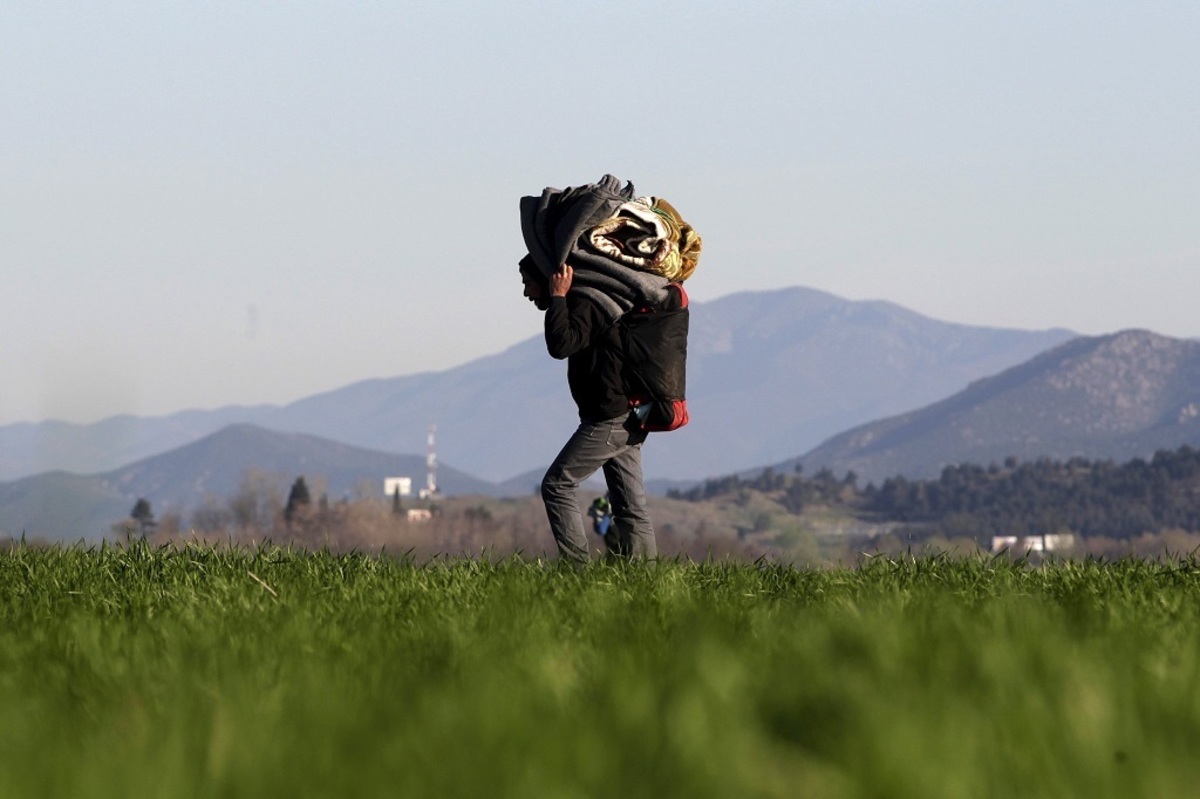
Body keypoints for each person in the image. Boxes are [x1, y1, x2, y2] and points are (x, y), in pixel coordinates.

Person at [520, 258, 656, 563]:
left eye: (528, 282)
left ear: (552, 279)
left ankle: (577, 570)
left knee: (557, 485)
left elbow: (561, 344)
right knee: (630, 504)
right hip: (630, 415)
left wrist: (558, 297)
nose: (527, 293)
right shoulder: (594, 302)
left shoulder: (588, 304)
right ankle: (647, 578)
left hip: (611, 417)